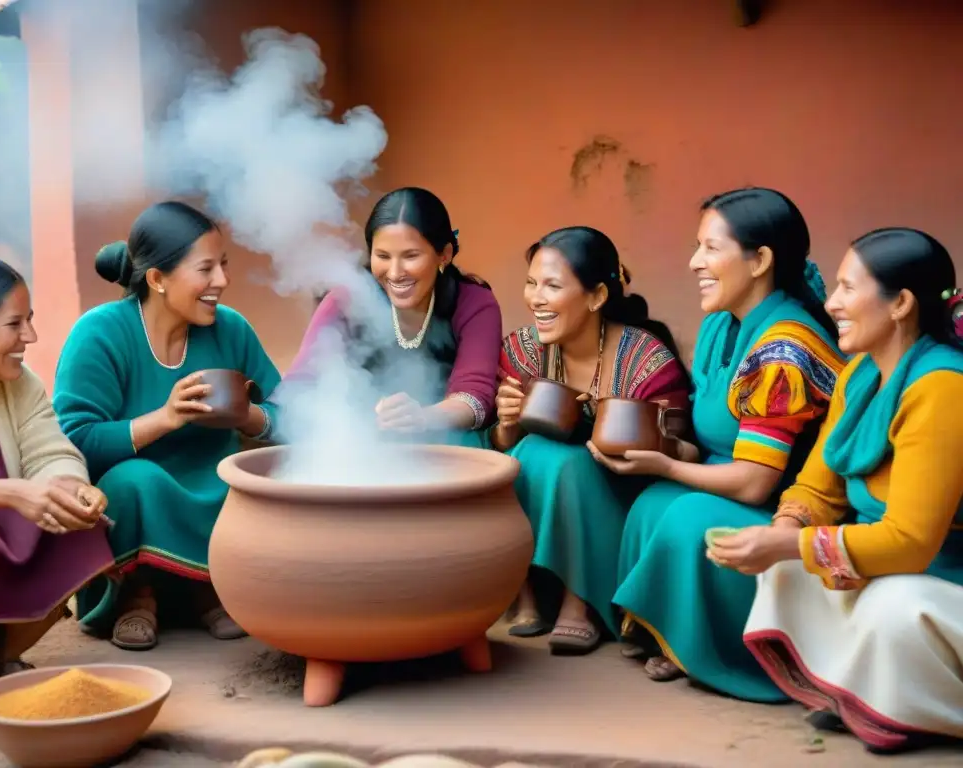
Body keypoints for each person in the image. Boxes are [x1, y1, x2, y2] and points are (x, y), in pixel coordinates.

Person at [718, 228, 963, 753]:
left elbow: (912, 544)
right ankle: (854, 692)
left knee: (893, 606)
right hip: (897, 562)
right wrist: (784, 532)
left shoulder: (944, 387)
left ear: (900, 304)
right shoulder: (860, 374)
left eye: (849, 289)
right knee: (783, 564)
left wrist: (786, 544)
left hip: (944, 574)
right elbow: (818, 487)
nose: (832, 304)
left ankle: (912, 710)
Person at [605, 188, 845, 699]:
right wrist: (672, 453)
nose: (695, 262)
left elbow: (756, 483)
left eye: (711, 249)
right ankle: (665, 632)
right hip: (728, 483)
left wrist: (669, 467)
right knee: (654, 503)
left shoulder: (785, 348)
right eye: (698, 247)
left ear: (760, 260)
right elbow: (711, 432)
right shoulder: (721, 324)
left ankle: (722, 647)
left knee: (687, 514)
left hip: (787, 511)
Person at [52, 201, 281, 651]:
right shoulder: (100, 333)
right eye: (206, 269)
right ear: (157, 279)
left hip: (214, 488)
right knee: (136, 480)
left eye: (224, 266)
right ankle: (138, 595)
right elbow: (74, 441)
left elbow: (293, 410)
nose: (222, 282)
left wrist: (250, 417)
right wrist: (165, 418)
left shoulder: (231, 329)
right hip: (135, 502)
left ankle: (208, 587)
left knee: (252, 482)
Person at [492, 226, 690, 654]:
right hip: (547, 508)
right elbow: (502, 444)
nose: (536, 298)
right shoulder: (523, 352)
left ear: (597, 295)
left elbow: (687, 449)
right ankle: (527, 592)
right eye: (531, 283)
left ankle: (579, 604)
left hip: (620, 508)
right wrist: (508, 421)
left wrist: (647, 444)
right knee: (528, 452)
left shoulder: (646, 360)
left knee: (569, 461)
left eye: (552, 286)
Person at [0, 255, 112, 721]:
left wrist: (71, 488)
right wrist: (5, 494)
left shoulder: (17, 384)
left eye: (30, 321)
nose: (30, 338)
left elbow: (50, 448)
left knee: (80, 528)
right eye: (15, 324)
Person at [286, 187, 501, 441]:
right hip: (359, 441)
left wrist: (422, 418)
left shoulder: (474, 304)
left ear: (444, 254)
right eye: (383, 256)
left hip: (448, 442)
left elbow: (475, 398)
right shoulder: (346, 301)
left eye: (411, 256)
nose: (395, 272)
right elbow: (300, 384)